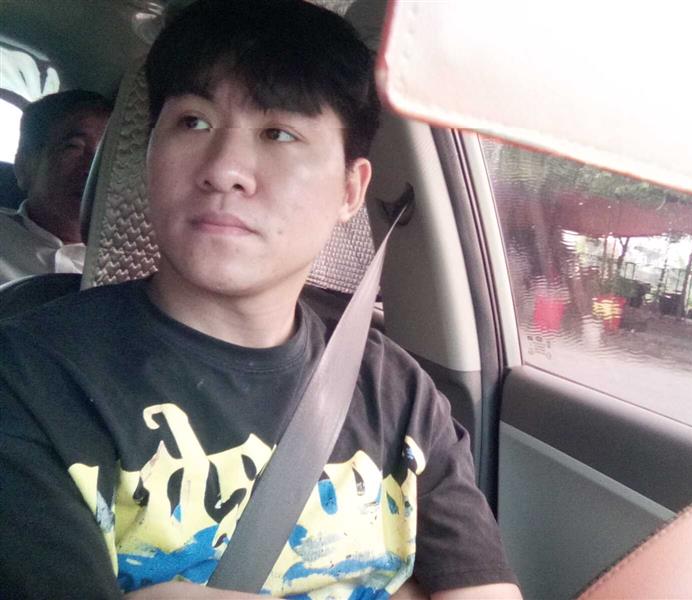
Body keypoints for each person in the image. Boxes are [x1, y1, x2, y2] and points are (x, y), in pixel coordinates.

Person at [0, 1, 522, 598]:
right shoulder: (27, 379)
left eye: (279, 133)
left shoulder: (398, 394)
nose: (224, 169)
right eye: (193, 122)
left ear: (350, 190)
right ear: (147, 155)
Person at [0, 90, 111, 284]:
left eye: (106, 152)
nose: (94, 169)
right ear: (23, 166)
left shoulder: (138, 264)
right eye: (74, 147)